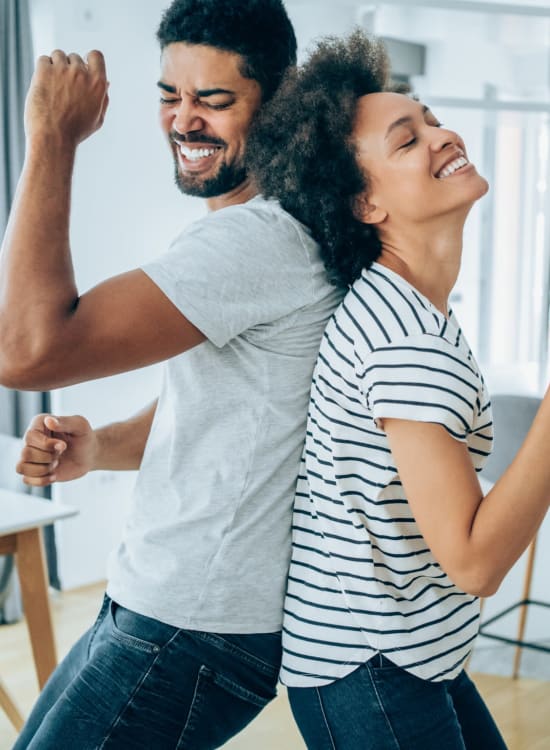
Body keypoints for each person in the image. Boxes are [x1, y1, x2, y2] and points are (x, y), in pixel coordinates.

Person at [0, 1, 344, 747]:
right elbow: (238, 410)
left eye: (214, 100)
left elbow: (27, 351)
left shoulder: (260, 241)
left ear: (278, 103)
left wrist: (52, 139)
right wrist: (102, 448)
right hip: (158, 607)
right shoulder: (252, 231)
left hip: (193, 629)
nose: (184, 121)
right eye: (170, 95)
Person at [245, 30, 550, 749]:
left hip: (403, 656)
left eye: (433, 121)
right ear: (364, 204)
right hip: (371, 670)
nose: (444, 137)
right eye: (408, 141)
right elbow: (474, 562)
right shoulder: (402, 338)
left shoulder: (404, 307)